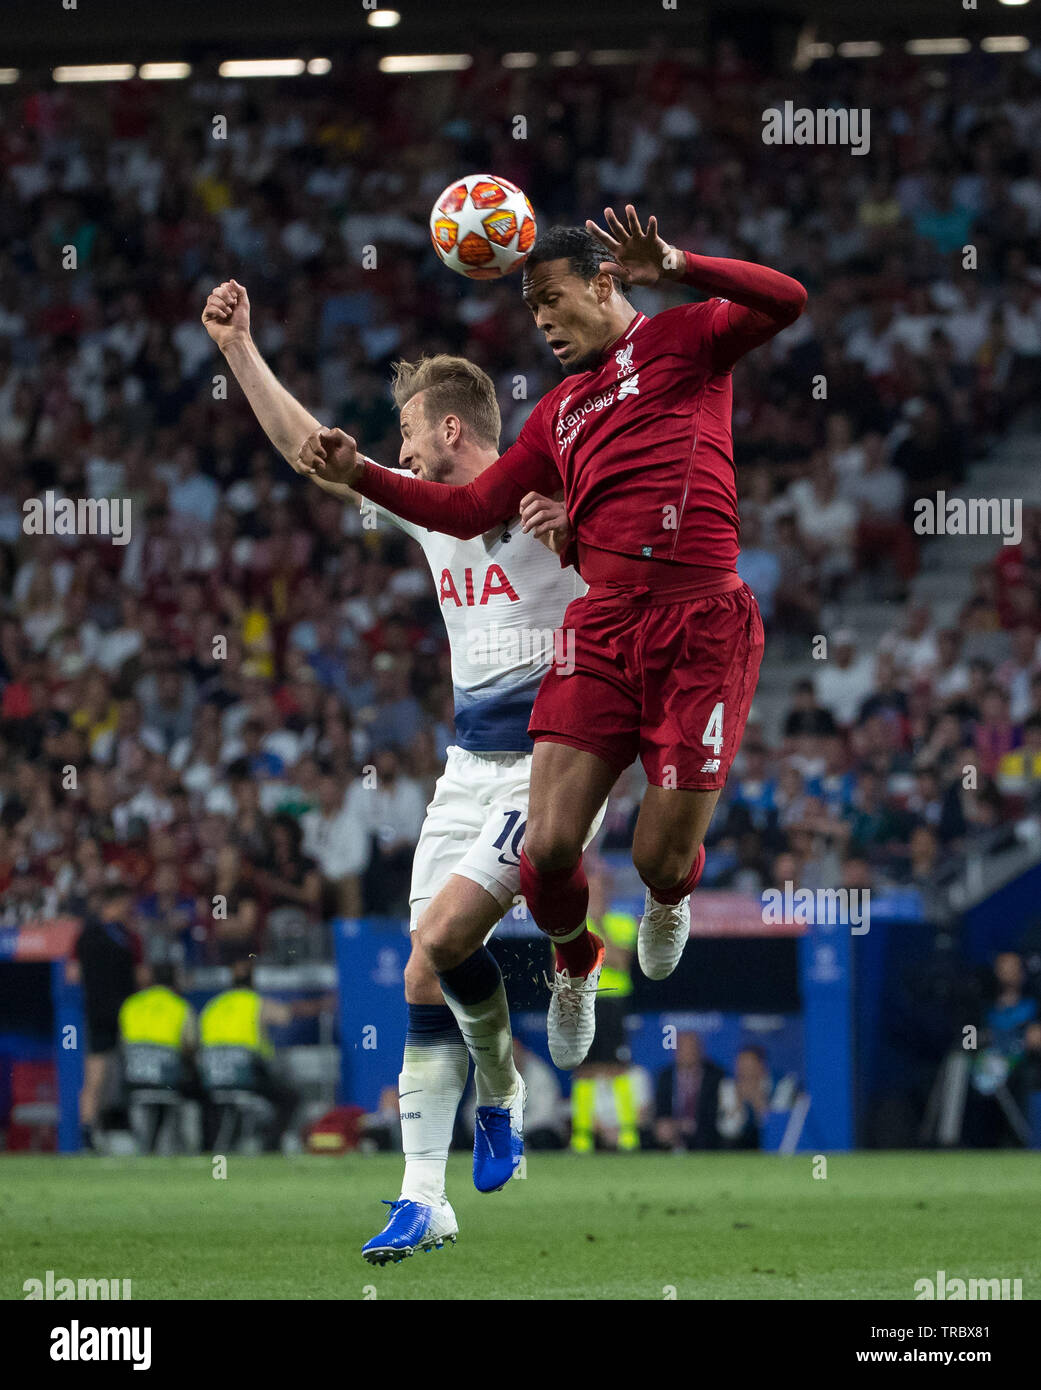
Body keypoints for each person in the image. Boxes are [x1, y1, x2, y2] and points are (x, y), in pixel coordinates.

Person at [305, 209, 806, 1075]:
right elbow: (467, 510)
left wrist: (681, 262)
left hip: (701, 623)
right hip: (603, 626)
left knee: (656, 853)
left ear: (605, 284)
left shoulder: (683, 344)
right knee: (544, 849)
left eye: (549, 298)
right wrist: (361, 474)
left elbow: (786, 300)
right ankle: (576, 960)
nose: (537, 319)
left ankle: (667, 892)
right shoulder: (557, 413)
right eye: (528, 306)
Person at [202, 286, 605, 1262]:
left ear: (452, 426)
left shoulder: (556, 494)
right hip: (469, 763)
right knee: (426, 963)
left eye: (408, 432)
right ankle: (428, 1191)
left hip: (554, 765)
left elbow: (646, 530)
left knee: (439, 933)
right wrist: (240, 349)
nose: (401, 449)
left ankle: (541, 1019)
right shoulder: (432, 514)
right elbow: (313, 453)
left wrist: (583, 530)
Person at [197, 956, 321, 1151]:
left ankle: (208, 1146)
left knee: (215, 1103)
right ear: (253, 982)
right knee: (289, 1098)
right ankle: (270, 1144)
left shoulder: (212, 1006)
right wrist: (318, 1006)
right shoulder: (254, 1002)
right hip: (245, 1077)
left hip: (212, 1079)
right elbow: (285, 1016)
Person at [568, 861, 639, 1153]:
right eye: (590, 891)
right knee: (584, 1069)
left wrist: (599, 926)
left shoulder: (623, 922)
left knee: (616, 1067)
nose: (595, 895)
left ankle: (628, 1135)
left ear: (608, 892)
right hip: (583, 1001)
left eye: (600, 890)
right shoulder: (570, 927)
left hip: (613, 1002)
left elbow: (622, 963)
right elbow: (565, 971)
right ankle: (581, 1138)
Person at [69, 882, 144, 1151]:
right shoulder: (128, 937)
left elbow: (72, 974)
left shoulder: (86, 935)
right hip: (126, 1016)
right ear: (120, 902)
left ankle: (89, 1132)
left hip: (97, 1012)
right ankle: (121, 1129)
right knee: (128, 1074)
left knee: (96, 1076)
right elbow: (141, 976)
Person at [118, 962, 201, 1151]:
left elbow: (123, 1045)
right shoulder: (180, 1007)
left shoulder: (131, 1005)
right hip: (168, 1082)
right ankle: (191, 1147)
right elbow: (190, 1045)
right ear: (175, 981)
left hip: (134, 1081)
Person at [653, 1031, 725, 1151]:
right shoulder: (665, 1076)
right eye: (682, 1048)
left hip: (704, 1132)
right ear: (675, 1052)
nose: (687, 1053)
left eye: (691, 1048)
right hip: (672, 1131)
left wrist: (690, 1125)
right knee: (661, 1130)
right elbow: (661, 1109)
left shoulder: (715, 1076)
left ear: (700, 1050)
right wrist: (673, 1125)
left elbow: (715, 1112)